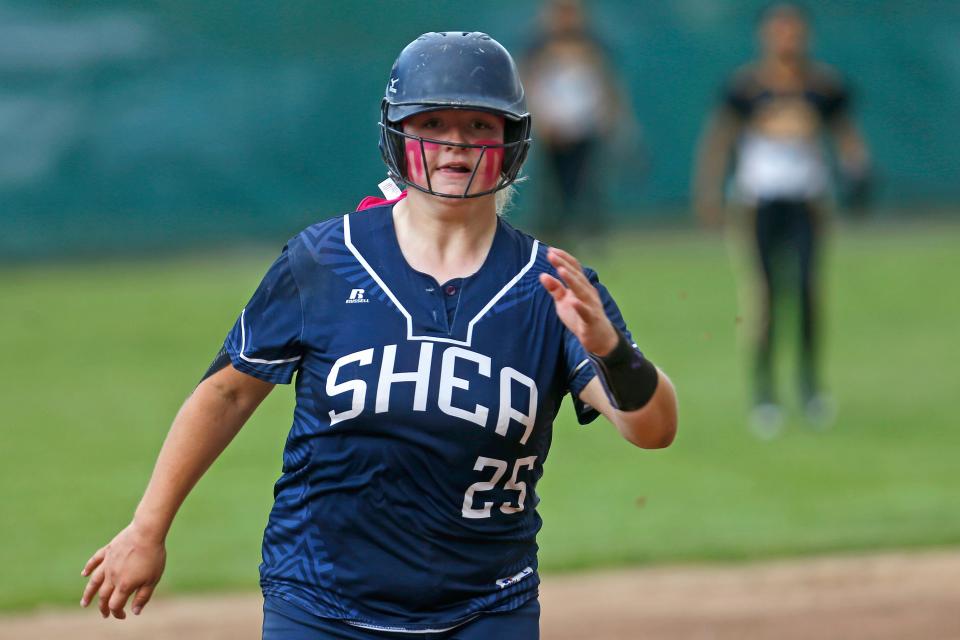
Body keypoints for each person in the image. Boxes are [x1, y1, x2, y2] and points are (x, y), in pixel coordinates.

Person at [80, 31, 678, 639]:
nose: (456, 144)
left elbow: (652, 429)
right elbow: (227, 394)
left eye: (480, 125)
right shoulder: (322, 260)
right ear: (397, 135)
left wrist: (611, 351)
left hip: (486, 610)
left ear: (512, 142)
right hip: (318, 603)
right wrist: (147, 528)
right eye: (433, 122)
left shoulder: (552, 285)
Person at [692, 4, 870, 437]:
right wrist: (709, 190)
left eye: (794, 31)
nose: (787, 39)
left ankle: (810, 387)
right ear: (766, 36)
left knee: (809, 290)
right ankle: (765, 393)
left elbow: (847, 136)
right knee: (764, 297)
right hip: (759, 203)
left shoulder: (822, 86)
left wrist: (858, 168)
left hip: (807, 201)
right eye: (779, 31)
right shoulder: (747, 87)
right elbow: (719, 140)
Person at [521, 0, 638, 246]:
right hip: (554, 130)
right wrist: (539, 121)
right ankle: (553, 237)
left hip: (585, 127)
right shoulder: (538, 48)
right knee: (554, 187)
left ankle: (591, 236)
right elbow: (529, 87)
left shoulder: (594, 47)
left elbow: (608, 85)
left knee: (586, 184)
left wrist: (610, 117)